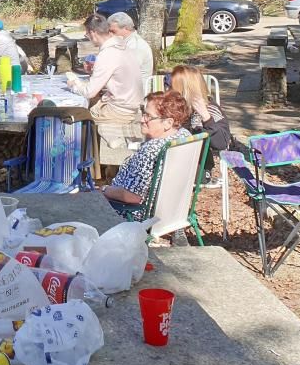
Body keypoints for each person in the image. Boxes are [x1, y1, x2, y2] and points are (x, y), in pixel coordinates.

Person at [101, 91, 192, 221]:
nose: (142, 119)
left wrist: (104, 190)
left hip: (130, 212)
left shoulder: (151, 150)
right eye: (144, 114)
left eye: (149, 116)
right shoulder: (184, 136)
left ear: (168, 123)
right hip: (172, 212)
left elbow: (131, 197)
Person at [68, 13, 142, 126]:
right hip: (132, 104)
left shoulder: (107, 54)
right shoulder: (123, 46)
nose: (88, 38)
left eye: (87, 34)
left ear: (92, 33)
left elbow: (89, 92)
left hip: (119, 111)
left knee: (76, 118)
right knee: (92, 102)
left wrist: (74, 85)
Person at [169, 64, 232, 186]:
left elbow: (222, 144)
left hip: (196, 167)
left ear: (186, 90)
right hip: (169, 162)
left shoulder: (210, 110)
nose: (169, 90)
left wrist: (206, 118)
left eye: (172, 87)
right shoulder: (170, 108)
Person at [107, 12, 154, 87]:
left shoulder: (136, 46)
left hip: (136, 93)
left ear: (126, 28)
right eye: (109, 31)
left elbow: (126, 72)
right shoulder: (124, 42)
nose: (110, 35)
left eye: (113, 31)